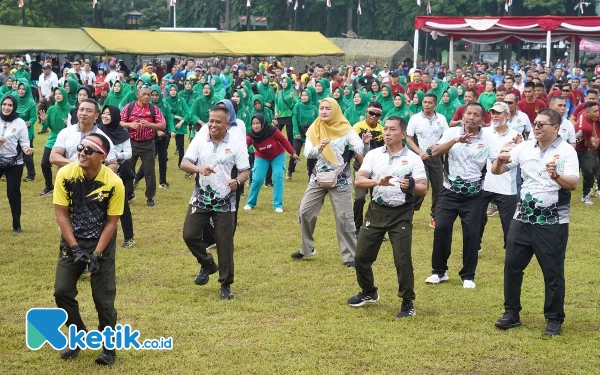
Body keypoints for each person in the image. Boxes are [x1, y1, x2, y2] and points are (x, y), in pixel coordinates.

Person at [492, 108, 579, 336]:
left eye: (542, 124)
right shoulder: (524, 147)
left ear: (555, 128)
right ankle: (511, 313)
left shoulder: (566, 151)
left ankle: (554, 318)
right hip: (522, 218)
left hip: (552, 221)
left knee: (552, 271)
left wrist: (556, 176)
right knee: (512, 266)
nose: (536, 127)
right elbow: (497, 170)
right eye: (535, 123)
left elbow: (573, 185)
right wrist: (499, 160)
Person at [52, 133, 124, 364]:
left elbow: (112, 222)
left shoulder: (114, 182)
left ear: (102, 156)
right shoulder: (65, 174)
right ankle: (77, 332)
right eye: (80, 148)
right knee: (62, 291)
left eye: (88, 150)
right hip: (72, 242)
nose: (81, 153)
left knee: (103, 299)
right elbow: (61, 214)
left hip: (100, 243)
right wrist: (74, 249)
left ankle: (108, 347)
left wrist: (96, 255)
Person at [347, 116, 427, 318]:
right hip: (376, 211)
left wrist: (410, 185)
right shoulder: (374, 155)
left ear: (403, 134)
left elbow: (423, 188)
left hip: (401, 213)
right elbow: (359, 180)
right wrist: (376, 182)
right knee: (361, 256)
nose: (387, 133)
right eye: (386, 129)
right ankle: (368, 292)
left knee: (402, 259)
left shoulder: (413, 159)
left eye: (392, 129)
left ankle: (407, 302)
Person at [181, 106, 250, 300]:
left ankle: (226, 285)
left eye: (218, 121)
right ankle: (208, 264)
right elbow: (184, 163)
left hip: (226, 200)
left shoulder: (237, 143)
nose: (213, 124)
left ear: (227, 124)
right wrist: (199, 168)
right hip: (201, 197)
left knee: (224, 243)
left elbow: (245, 171)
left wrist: (237, 181)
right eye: (211, 120)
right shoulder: (201, 138)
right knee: (189, 234)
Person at [292, 98, 371, 267]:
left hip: (340, 177)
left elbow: (359, 149)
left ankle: (350, 255)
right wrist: (319, 148)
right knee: (304, 212)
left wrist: (365, 143)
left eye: (328, 108)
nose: (324, 111)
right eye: (321, 108)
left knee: (344, 218)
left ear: (334, 110)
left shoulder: (345, 129)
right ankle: (307, 248)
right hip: (318, 177)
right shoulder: (314, 129)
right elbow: (308, 154)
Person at [425, 103, 491, 289]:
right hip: (449, 192)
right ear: (463, 116)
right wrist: (455, 141)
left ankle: (468, 275)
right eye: (468, 113)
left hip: (474, 195)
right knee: (441, 229)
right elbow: (435, 152)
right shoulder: (451, 132)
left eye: (476, 115)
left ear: (482, 120)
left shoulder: (488, 138)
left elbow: (495, 162)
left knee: (471, 234)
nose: (471, 117)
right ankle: (439, 272)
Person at [478, 102, 520, 251]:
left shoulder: (516, 135)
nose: (495, 116)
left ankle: (510, 250)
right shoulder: (483, 132)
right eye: (493, 113)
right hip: (484, 183)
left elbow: (515, 160)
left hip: (506, 186)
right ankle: (474, 245)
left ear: (507, 115)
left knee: (508, 222)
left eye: (499, 113)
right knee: (476, 218)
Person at [405, 93, 448, 228]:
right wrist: (419, 152)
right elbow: (408, 138)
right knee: (422, 187)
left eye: (430, 102)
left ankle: (435, 216)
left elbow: (446, 135)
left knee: (438, 188)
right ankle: (409, 212)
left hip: (436, 157)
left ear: (435, 104)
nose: (426, 105)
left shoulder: (441, 118)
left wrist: (438, 145)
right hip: (420, 158)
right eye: (425, 102)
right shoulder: (415, 119)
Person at [120, 85, 166, 207]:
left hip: (148, 144)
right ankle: (128, 194)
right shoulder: (129, 107)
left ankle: (150, 197)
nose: (146, 97)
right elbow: (120, 122)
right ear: (137, 94)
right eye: (143, 94)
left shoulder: (153, 109)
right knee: (128, 170)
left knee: (149, 171)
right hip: (131, 143)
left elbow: (162, 125)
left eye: (148, 95)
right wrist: (130, 125)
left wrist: (150, 125)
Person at [244, 114, 299, 212]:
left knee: (278, 177)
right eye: (253, 124)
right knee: (257, 179)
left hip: (277, 155)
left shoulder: (273, 130)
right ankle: (250, 203)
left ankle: (278, 205)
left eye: (257, 123)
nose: (255, 126)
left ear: (262, 124)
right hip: (261, 157)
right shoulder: (251, 135)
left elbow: (284, 141)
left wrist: (293, 153)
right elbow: (243, 146)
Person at [98, 105, 135, 248]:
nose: (105, 116)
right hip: (100, 172)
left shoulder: (123, 133)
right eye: (104, 113)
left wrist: (112, 155)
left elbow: (129, 153)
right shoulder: (98, 130)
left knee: (122, 206)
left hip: (119, 173)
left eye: (109, 114)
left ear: (115, 116)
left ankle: (129, 237)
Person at [0, 95, 34, 233]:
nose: (6, 107)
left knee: (13, 193)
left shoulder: (20, 122)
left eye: (10, 105)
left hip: (15, 162)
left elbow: (24, 142)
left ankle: (16, 225)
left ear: (14, 107)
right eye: (4, 104)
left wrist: (27, 149)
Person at [352, 102, 385, 236]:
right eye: (371, 113)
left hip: (377, 169)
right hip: (361, 168)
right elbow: (356, 150)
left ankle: (375, 228)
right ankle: (357, 227)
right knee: (360, 198)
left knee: (377, 199)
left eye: (377, 114)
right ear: (367, 112)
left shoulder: (382, 129)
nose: (373, 116)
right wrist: (366, 165)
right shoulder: (358, 127)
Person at [38, 87, 72, 196]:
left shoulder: (71, 109)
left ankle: (67, 188)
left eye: (60, 93)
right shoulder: (51, 109)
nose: (57, 95)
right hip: (53, 138)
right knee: (44, 163)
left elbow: (76, 127)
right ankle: (49, 186)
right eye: (56, 94)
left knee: (65, 165)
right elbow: (47, 126)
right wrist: (44, 121)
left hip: (68, 139)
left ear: (64, 95)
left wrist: (69, 124)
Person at [575, 102, 600, 205]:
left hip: (582, 149)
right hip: (575, 150)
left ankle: (585, 196)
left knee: (589, 172)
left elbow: (593, 125)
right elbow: (589, 144)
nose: (598, 113)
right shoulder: (585, 127)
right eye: (595, 111)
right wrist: (596, 144)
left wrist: (596, 138)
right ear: (588, 113)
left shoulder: (585, 115)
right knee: (569, 174)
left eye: (598, 110)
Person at [290, 88, 318, 179]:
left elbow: (317, 122)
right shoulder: (297, 106)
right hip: (299, 133)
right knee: (295, 151)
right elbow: (294, 119)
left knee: (311, 154)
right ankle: (290, 170)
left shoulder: (314, 108)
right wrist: (296, 132)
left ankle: (311, 174)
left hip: (310, 134)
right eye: (302, 95)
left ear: (309, 96)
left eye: (306, 95)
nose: (304, 97)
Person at [15, 79, 37, 182]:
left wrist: (29, 122)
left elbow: (34, 117)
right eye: (20, 88)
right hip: (15, 131)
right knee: (13, 152)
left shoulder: (31, 102)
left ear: (27, 90)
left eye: (23, 89)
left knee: (27, 154)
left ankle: (31, 174)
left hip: (27, 131)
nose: (21, 91)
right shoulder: (14, 99)